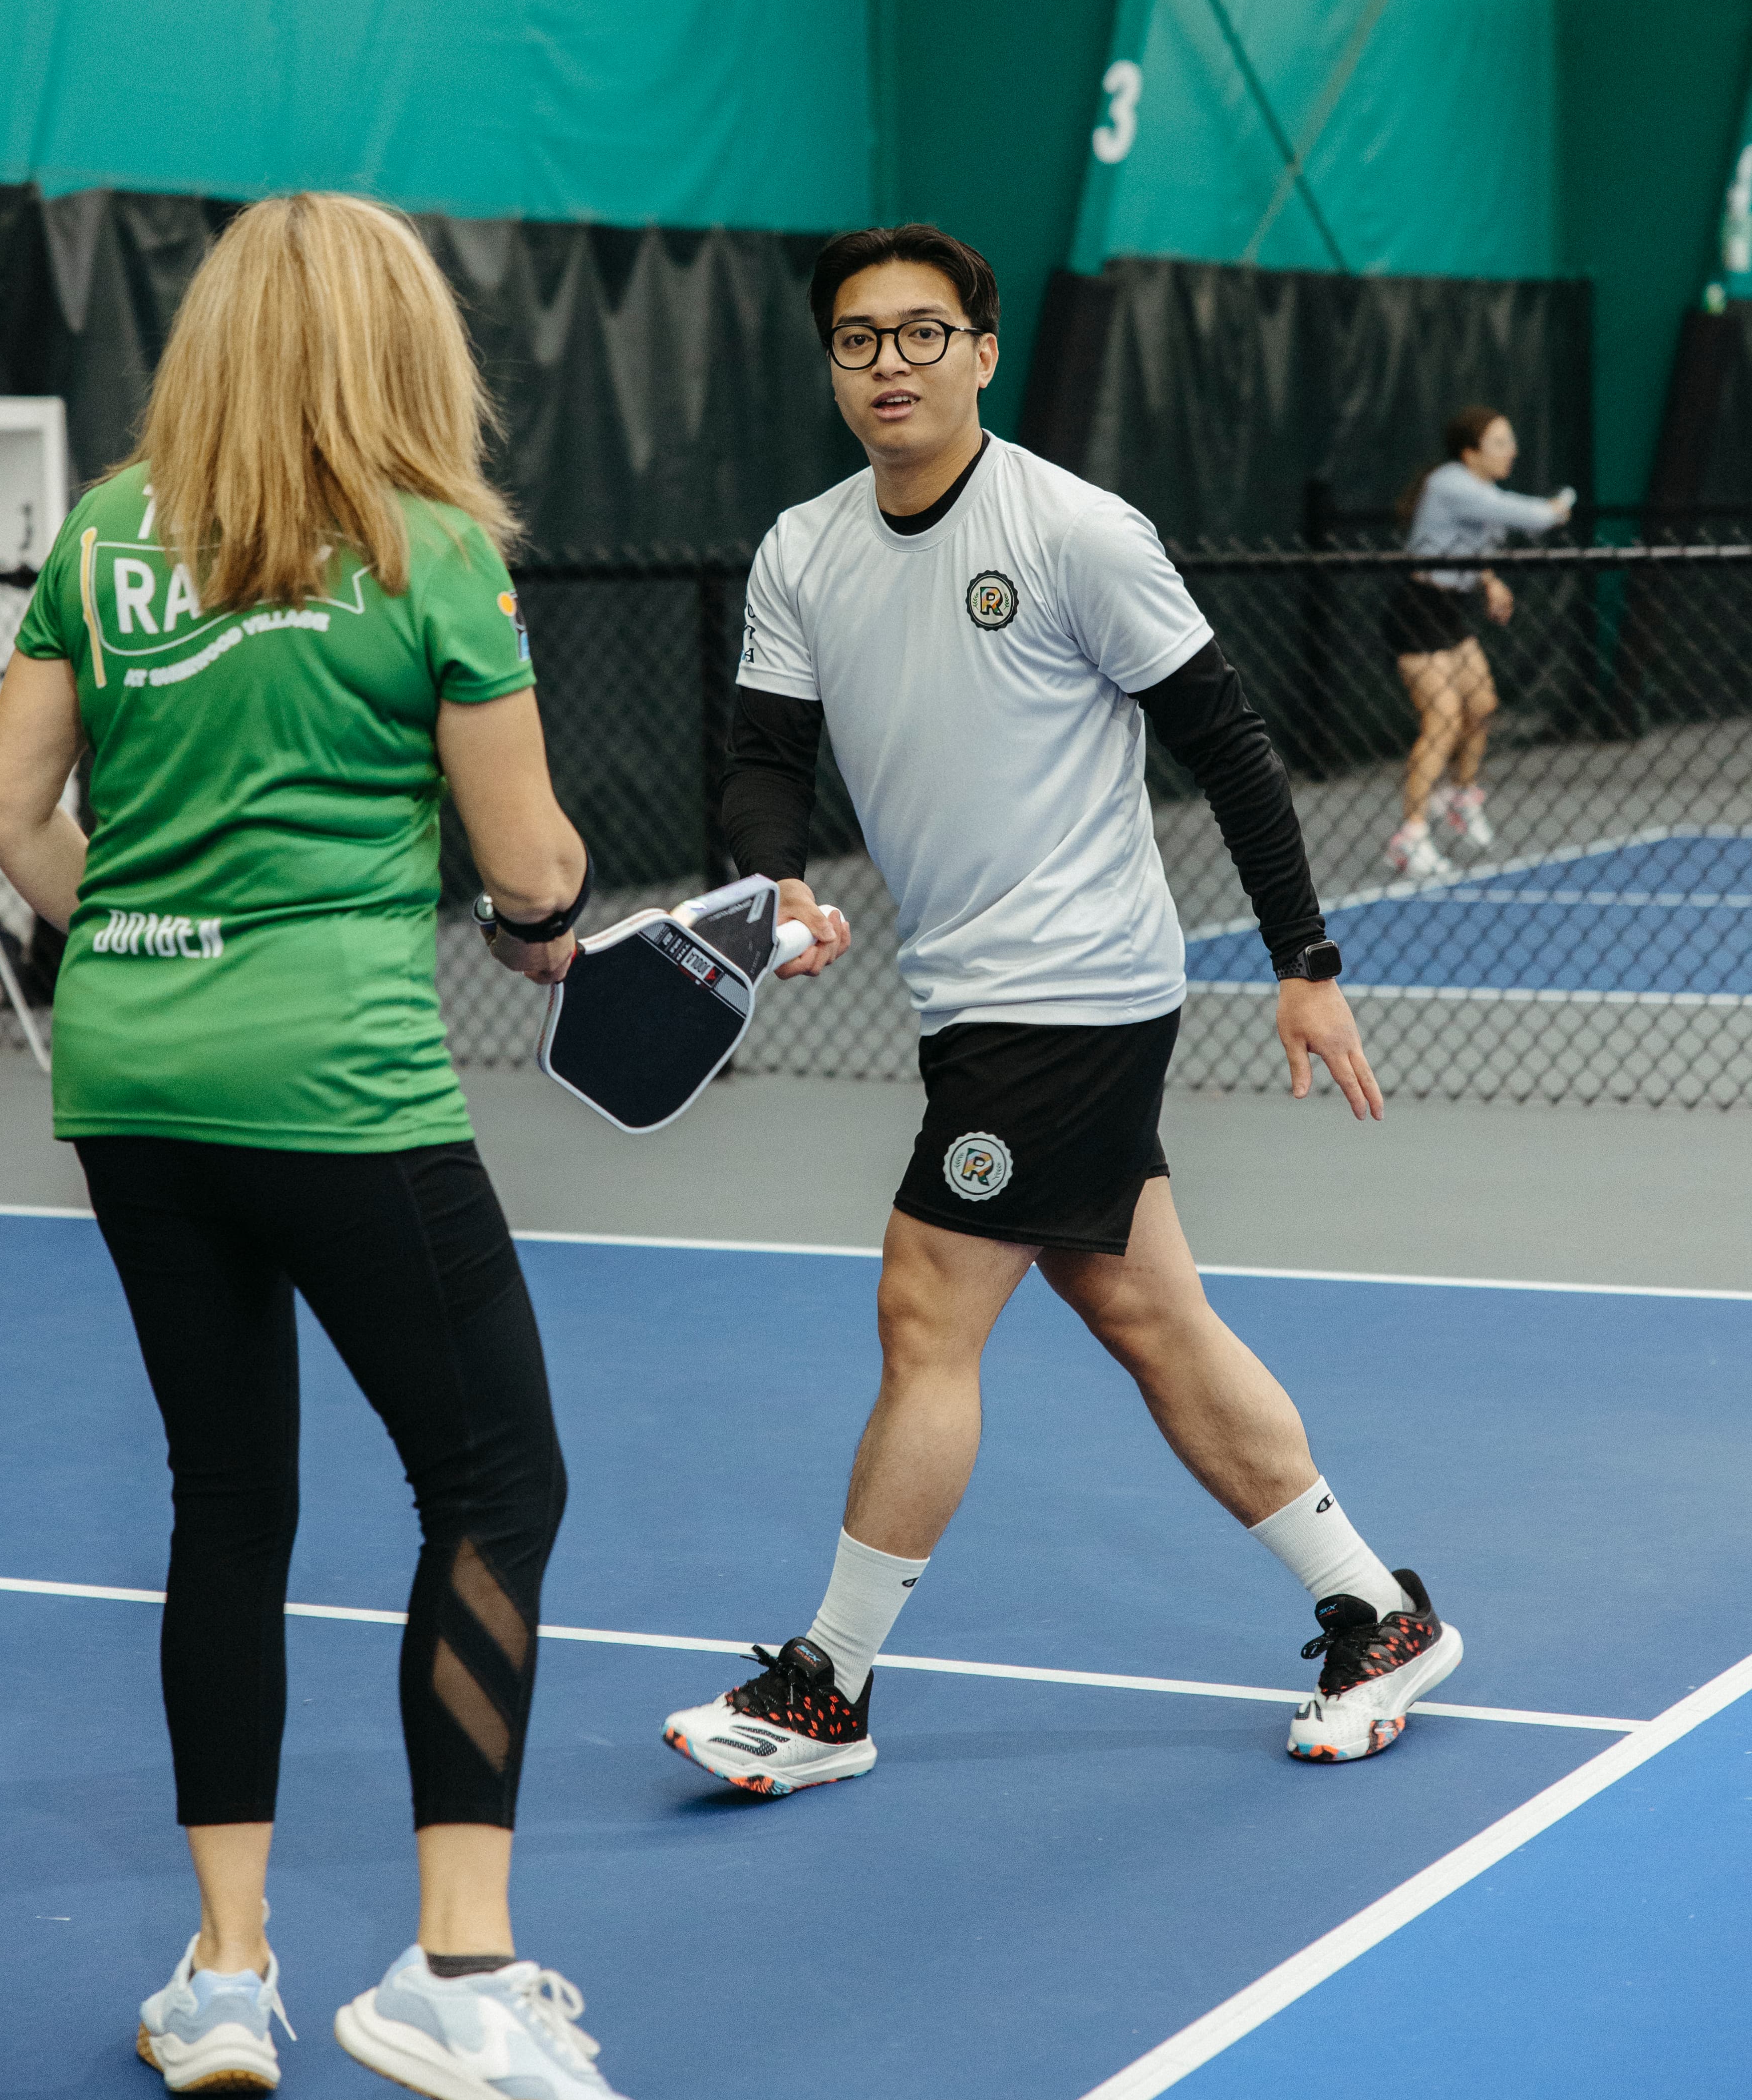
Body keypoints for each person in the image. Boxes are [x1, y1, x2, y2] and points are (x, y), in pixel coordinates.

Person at [0, 195, 658, 2100]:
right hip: (340, 1086)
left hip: (128, 1076)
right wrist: (558, 911)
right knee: (496, 1476)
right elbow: (529, 874)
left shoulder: (106, 535)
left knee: (228, 1499)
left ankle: (226, 1972)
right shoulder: (435, 549)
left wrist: (140, 943)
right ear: (398, 347)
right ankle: (454, 1971)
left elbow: (3, 801)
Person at [661, 221, 1461, 1799]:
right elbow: (763, 761)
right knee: (1148, 1314)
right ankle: (1375, 1610)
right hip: (968, 992)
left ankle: (827, 1686)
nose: (887, 363)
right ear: (832, 366)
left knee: (924, 1308)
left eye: (917, 333)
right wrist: (782, 887)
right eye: (856, 340)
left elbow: (1227, 742)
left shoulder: (1076, 530)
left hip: (1077, 986)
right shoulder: (803, 548)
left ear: (981, 348)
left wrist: (1305, 963)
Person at [1382, 408, 1575, 880]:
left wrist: (1488, 580)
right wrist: (1556, 508)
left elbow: (1467, 542)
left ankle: (1460, 797)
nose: (1512, 451)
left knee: (1483, 705)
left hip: (1452, 610)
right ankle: (1410, 837)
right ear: (1471, 453)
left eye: (1511, 441)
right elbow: (1524, 516)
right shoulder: (1452, 482)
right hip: (1418, 611)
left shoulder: (1476, 490)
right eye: (1500, 443)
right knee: (1442, 722)